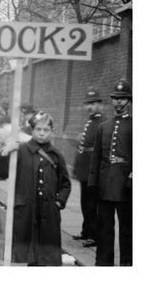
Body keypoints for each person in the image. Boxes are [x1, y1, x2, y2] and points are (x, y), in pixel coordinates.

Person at [7, 111, 71, 266]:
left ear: (51, 131)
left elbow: (65, 183)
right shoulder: (21, 150)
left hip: (48, 212)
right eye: (38, 129)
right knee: (27, 255)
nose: (42, 133)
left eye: (46, 130)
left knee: (45, 257)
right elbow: (4, 173)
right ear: (32, 130)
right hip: (27, 210)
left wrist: (58, 203)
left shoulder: (55, 155)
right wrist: (6, 152)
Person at [88, 79, 132, 266]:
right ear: (112, 101)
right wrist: (93, 182)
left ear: (129, 101)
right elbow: (96, 157)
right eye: (116, 99)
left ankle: (127, 262)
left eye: (122, 99)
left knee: (127, 227)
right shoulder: (103, 126)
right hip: (105, 183)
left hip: (125, 184)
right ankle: (103, 262)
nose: (119, 102)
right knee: (105, 226)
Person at [72, 87, 106, 247]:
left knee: (92, 205)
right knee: (85, 204)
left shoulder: (102, 122)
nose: (90, 107)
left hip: (93, 172)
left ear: (100, 104)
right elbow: (82, 148)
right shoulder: (91, 121)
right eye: (88, 104)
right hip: (85, 171)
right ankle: (86, 231)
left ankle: (94, 235)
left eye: (93, 103)